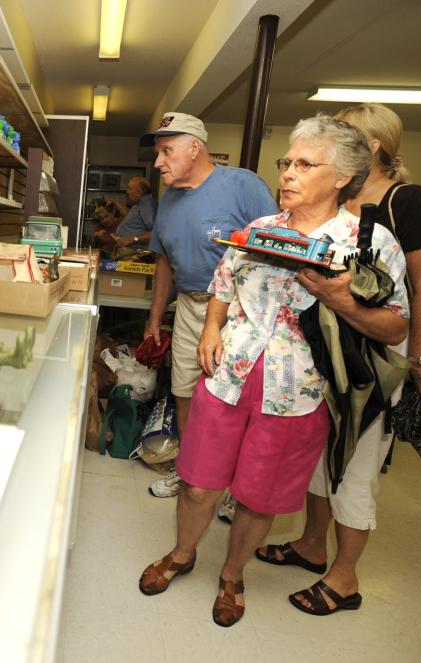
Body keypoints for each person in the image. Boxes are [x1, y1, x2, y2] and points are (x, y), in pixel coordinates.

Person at [139, 114, 409, 627]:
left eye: (305, 164)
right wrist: (214, 328)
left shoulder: (370, 245)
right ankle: (181, 553)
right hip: (230, 374)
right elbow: (224, 283)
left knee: (258, 497)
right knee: (197, 482)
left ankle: (232, 575)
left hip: (300, 391)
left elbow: (395, 328)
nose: (287, 173)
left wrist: (340, 299)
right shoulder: (260, 229)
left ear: (342, 177)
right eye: (287, 161)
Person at [256, 103, 421, 616]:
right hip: (323, 351)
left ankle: (345, 579)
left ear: (371, 150)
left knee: (357, 464)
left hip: (372, 355)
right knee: (324, 456)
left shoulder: (406, 204)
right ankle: (311, 545)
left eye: (338, 136)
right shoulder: (325, 208)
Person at [141, 112, 278, 513]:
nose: (158, 162)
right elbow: (164, 262)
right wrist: (154, 317)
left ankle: (237, 489)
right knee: (184, 389)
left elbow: (273, 250)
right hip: (188, 305)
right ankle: (190, 470)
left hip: (240, 312)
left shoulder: (243, 186)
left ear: (194, 147)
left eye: (166, 151)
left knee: (234, 398)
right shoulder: (168, 201)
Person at [112, 176, 156, 249]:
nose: (127, 191)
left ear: (139, 193)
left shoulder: (147, 206)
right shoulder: (141, 203)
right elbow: (133, 217)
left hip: (135, 253)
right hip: (127, 249)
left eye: (130, 189)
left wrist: (132, 239)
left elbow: (155, 232)